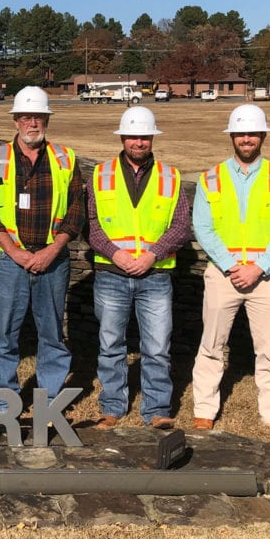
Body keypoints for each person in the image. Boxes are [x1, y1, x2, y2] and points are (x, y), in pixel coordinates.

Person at [191, 103, 270, 446]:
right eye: (240, 133)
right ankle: (204, 412)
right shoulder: (210, 178)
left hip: (267, 277)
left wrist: (258, 267)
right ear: (232, 136)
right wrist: (230, 266)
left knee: (269, 350)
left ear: (263, 135)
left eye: (252, 133)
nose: (246, 138)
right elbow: (203, 228)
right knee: (211, 345)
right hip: (224, 275)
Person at [0, 86, 85, 412]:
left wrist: (52, 251)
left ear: (47, 119)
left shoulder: (66, 159)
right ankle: (3, 402)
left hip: (53, 259)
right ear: (15, 121)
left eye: (38, 116)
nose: (32, 123)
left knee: (51, 333)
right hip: (9, 260)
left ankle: (49, 401)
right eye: (26, 116)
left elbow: (76, 211)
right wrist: (15, 252)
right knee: (5, 334)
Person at [86, 106, 191, 431]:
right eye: (133, 136)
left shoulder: (170, 177)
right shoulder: (100, 174)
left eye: (144, 136)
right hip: (111, 274)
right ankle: (112, 407)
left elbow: (181, 226)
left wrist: (153, 255)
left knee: (157, 348)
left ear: (152, 138)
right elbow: (90, 223)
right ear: (122, 137)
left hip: (156, 276)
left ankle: (157, 410)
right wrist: (115, 253)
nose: (139, 142)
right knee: (110, 345)